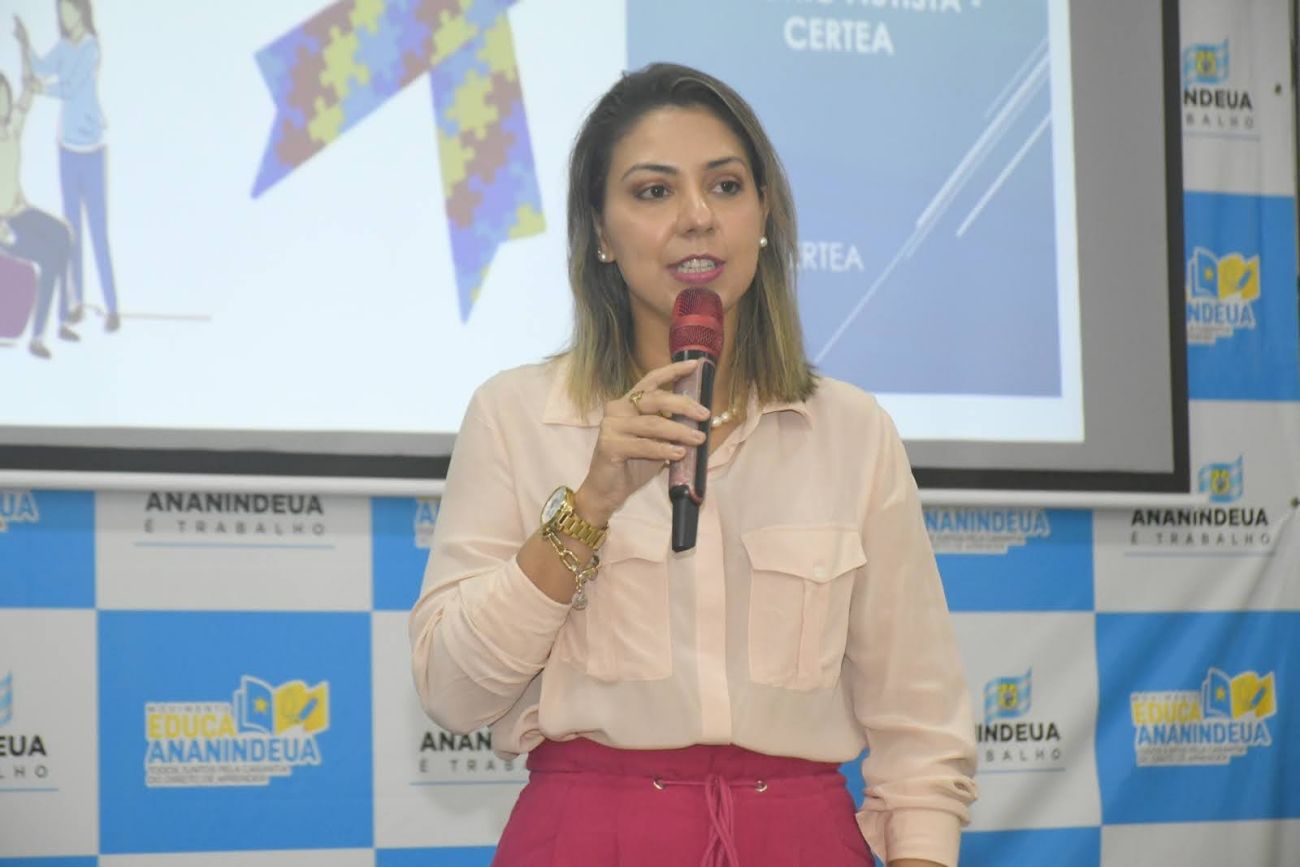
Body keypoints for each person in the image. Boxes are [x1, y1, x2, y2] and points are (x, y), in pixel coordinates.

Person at [410, 63, 977, 866]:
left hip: (800, 839)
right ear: (600, 233)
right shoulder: (516, 415)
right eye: (654, 191)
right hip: (590, 838)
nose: (698, 217)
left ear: (765, 214)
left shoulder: (852, 431)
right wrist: (591, 502)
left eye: (725, 186)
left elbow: (921, 727)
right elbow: (453, 691)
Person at [15, 0, 119, 332]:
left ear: (81, 10)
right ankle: (76, 303)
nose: (63, 16)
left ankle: (112, 307)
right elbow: (41, 67)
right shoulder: (63, 47)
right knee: (72, 230)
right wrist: (24, 43)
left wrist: (39, 88)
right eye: (60, 11)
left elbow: (70, 87)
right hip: (67, 151)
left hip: (91, 150)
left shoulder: (90, 47)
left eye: (68, 9)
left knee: (98, 231)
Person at [0, 65, 74, 359]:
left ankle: (63, 318)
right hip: (3, 225)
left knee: (63, 234)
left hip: (21, 212)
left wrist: (29, 85)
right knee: (48, 256)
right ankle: (38, 335)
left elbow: (23, 105)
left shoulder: (10, 133)